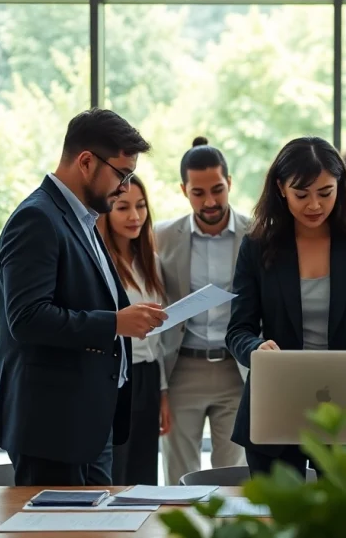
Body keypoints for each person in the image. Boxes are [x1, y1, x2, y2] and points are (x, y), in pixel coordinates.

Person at [0, 108, 166, 486]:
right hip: (51, 428)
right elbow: (27, 318)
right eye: (122, 174)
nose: (125, 187)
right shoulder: (37, 219)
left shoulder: (82, 220)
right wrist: (116, 323)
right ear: (86, 161)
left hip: (86, 423)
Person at [226, 137, 346, 478]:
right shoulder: (257, 246)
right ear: (281, 188)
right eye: (301, 194)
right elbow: (238, 330)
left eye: (326, 192)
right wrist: (257, 349)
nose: (315, 205)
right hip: (276, 403)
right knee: (276, 524)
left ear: (341, 186)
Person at [155, 137, 250, 485]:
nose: (210, 201)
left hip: (235, 370)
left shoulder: (257, 235)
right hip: (182, 369)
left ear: (230, 184)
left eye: (218, 189)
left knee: (234, 477)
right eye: (198, 192)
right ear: (184, 190)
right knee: (180, 476)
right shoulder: (162, 236)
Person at [97, 174, 169, 486]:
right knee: (117, 470)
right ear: (107, 211)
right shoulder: (101, 262)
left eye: (140, 206)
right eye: (123, 207)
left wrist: (163, 393)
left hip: (149, 376)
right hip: (117, 375)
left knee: (144, 473)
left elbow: (159, 338)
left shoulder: (150, 262)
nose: (135, 216)